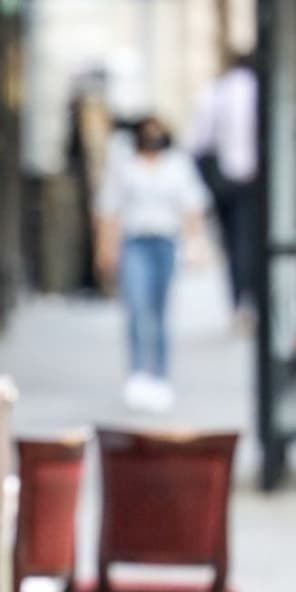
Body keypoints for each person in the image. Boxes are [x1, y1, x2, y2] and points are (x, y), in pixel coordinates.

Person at [94, 115, 209, 412]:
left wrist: (194, 242)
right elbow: (109, 208)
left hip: (165, 242)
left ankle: (159, 376)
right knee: (136, 307)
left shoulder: (177, 165)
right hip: (135, 242)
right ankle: (137, 375)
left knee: (158, 312)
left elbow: (191, 206)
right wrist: (105, 247)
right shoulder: (126, 165)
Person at [187, 51, 259, 326]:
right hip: (253, 181)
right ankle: (250, 299)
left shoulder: (215, 91)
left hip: (222, 180)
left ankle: (239, 300)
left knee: (233, 241)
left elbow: (197, 141)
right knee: (250, 240)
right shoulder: (256, 88)